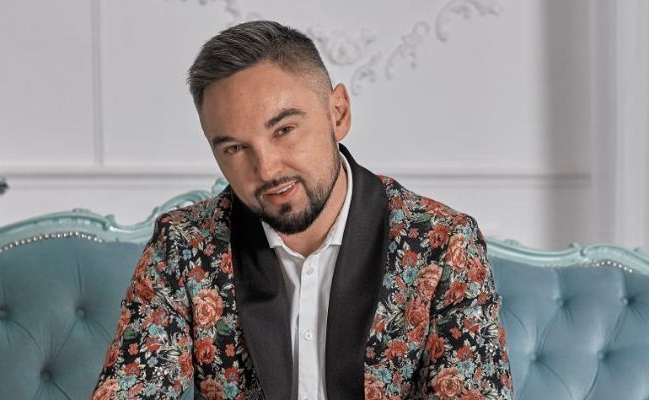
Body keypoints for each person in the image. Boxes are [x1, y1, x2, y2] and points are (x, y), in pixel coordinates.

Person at [92, 20, 512, 400]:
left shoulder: (444, 244)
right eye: (235, 148)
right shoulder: (182, 247)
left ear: (338, 113)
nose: (267, 169)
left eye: (284, 130)